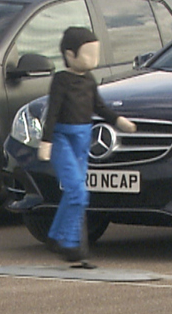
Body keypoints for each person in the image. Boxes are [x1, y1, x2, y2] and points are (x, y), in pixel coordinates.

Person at [38, 26, 135, 266]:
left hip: (83, 139)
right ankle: (70, 244)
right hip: (63, 139)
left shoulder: (89, 80)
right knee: (78, 193)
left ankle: (54, 237)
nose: (93, 59)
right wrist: (47, 141)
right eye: (87, 53)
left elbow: (99, 107)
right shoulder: (61, 80)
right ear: (70, 55)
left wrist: (118, 120)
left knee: (75, 191)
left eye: (95, 53)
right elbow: (52, 113)